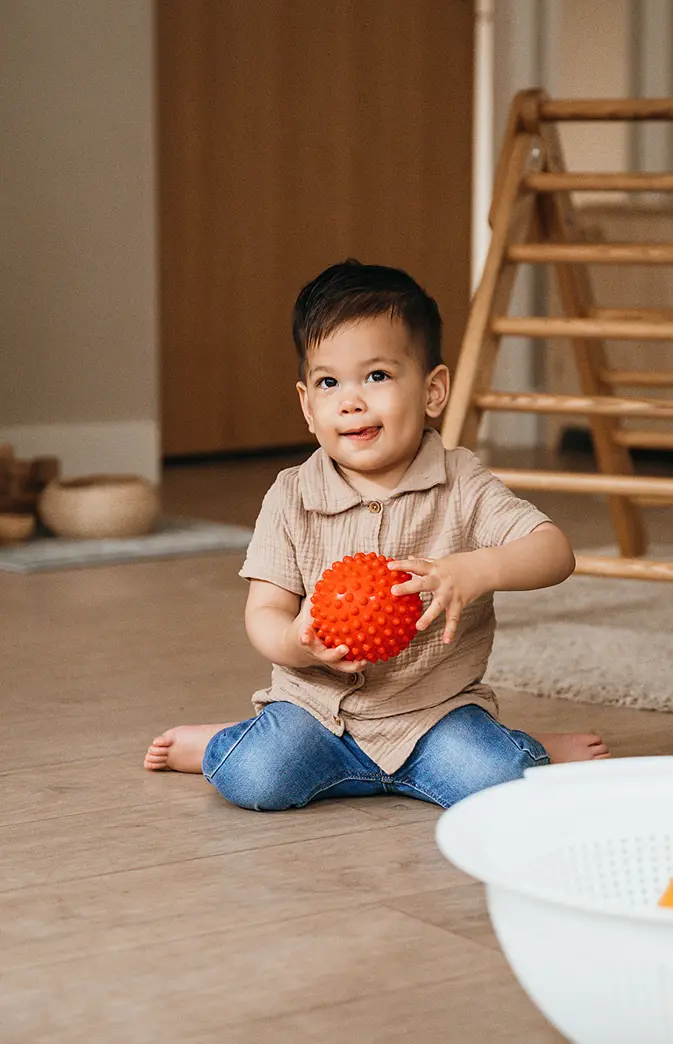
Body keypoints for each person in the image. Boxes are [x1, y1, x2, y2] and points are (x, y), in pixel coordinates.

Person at [144, 261, 609, 809]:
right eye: (328, 382)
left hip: (435, 717)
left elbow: (555, 552)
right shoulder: (291, 494)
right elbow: (264, 611)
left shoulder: (461, 481)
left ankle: (523, 749)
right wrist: (297, 644)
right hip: (317, 715)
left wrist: (476, 569)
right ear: (306, 406)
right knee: (257, 777)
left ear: (433, 391)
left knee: (497, 780)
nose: (351, 400)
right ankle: (226, 742)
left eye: (378, 376)